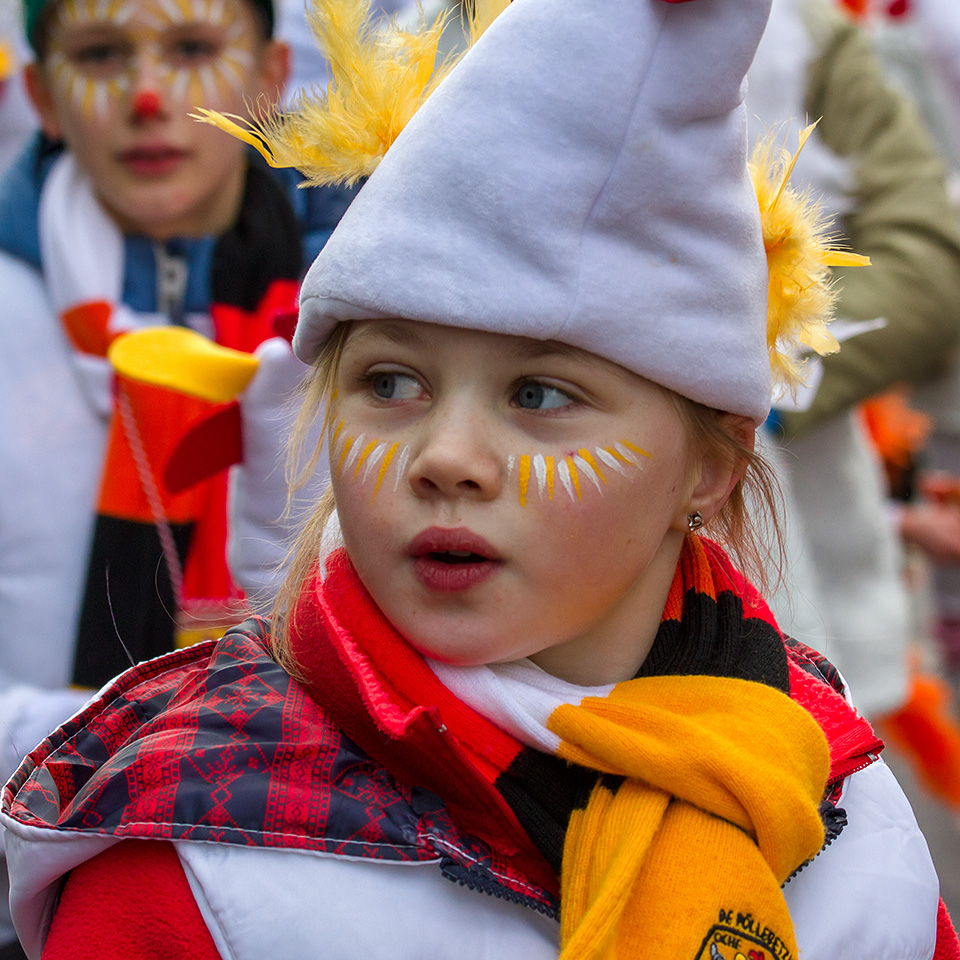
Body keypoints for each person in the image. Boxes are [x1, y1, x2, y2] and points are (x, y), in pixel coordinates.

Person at [3, 0, 956, 956]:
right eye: (390, 382)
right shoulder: (189, 864)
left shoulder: (854, 825)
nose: (446, 457)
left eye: (541, 395)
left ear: (710, 467)